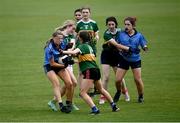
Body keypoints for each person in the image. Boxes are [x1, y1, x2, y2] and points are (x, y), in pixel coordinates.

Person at [61, 31, 119, 114]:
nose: (77, 37)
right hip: (95, 70)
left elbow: (73, 52)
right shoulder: (89, 47)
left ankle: (95, 109)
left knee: (82, 93)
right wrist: (73, 61)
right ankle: (114, 106)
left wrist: (62, 51)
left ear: (80, 38)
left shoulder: (82, 46)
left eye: (78, 36)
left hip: (89, 71)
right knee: (101, 89)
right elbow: (84, 59)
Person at [115, 17, 148, 103]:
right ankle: (119, 92)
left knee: (137, 79)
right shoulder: (121, 34)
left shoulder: (139, 35)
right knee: (118, 80)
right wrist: (122, 50)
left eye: (128, 24)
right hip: (123, 59)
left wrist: (145, 48)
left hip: (135, 60)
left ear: (133, 25)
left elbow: (144, 45)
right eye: (125, 24)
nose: (126, 26)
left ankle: (140, 95)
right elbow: (117, 44)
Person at [99, 16, 130, 104]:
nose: (111, 26)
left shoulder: (121, 32)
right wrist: (126, 49)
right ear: (107, 25)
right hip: (106, 56)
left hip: (117, 56)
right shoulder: (106, 34)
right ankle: (103, 96)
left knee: (119, 78)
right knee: (106, 77)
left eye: (113, 24)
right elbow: (116, 44)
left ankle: (125, 92)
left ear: (115, 24)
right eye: (109, 24)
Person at [43, 31, 73, 113]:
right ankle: (61, 104)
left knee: (69, 83)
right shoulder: (49, 48)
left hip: (59, 64)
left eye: (61, 38)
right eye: (58, 38)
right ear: (53, 38)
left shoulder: (63, 42)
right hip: (49, 66)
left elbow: (66, 50)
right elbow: (52, 63)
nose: (60, 40)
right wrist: (64, 66)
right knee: (56, 84)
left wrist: (68, 58)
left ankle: (69, 103)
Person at [55, 20, 79, 110]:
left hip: (68, 61)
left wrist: (71, 50)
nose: (74, 30)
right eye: (73, 28)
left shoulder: (71, 35)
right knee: (73, 83)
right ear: (68, 26)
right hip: (62, 62)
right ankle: (69, 103)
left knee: (70, 84)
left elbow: (72, 46)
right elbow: (58, 49)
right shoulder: (60, 35)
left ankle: (55, 101)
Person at [75, 6, 100, 96]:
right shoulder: (78, 24)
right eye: (83, 12)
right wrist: (74, 47)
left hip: (91, 49)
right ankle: (83, 90)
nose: (85, 14)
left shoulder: (93, 23)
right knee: (81, 71)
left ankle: (92, 89)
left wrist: (96, 38)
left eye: (87, 12)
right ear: (81, 14)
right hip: (81, 49)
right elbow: (76, 37)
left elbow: (97, 35)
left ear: (90, 13)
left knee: (91, 68)